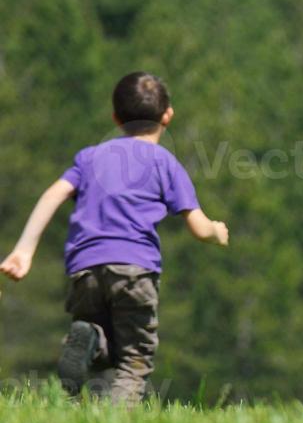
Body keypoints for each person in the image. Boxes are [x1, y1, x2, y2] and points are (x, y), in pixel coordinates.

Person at [0, 71, 229, 403]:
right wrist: (217, 233)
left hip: (85, 271)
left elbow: (53, 195)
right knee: (133, 362)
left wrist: (24, 250)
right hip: (135, 271)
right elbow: (198, 226)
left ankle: (90, 336)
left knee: (101, 340)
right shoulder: (165, 162)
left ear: (115, 118)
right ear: (168, 115)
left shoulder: (89, 157)